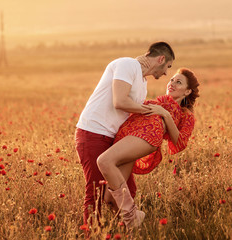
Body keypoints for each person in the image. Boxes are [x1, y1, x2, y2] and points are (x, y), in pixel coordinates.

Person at [75, 42, 175, 227]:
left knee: (127, 188)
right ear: (161, 59)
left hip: (113, 138)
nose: (166, 74)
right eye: (168, 66)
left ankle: (124, 230)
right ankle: (94, 235)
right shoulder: (127, 64)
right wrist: (153, 110)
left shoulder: (142, 82)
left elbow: (132, 112)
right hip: (93, 132)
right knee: (95, 192)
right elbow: (120, 102)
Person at [97, 68, 200, 228]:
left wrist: (165, 114)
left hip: (146, 139)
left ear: (187, 91)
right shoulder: (155, 102)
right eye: (172, 79)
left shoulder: (186, 115)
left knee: (104, 161)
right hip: (128, 138)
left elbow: (180, 144)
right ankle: (129, 232)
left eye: (178, 82)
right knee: (109, 199)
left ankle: (134, 218)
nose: (172, 83)